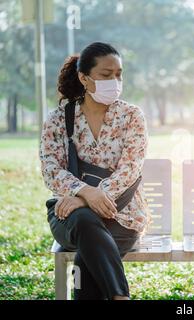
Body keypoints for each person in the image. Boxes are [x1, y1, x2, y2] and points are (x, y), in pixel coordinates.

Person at [39, 42, 149, 300]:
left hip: (122, 215)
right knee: (86, 222)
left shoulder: (132, 116)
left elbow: (130, 168)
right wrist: (85, 192)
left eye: (119, 74)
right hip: (69, 215)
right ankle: (120, 296)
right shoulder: (58, 119)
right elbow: (50, 169)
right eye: (105, 74)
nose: (115, 80)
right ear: (84, 78)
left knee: (88, 252)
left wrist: (86, 198)